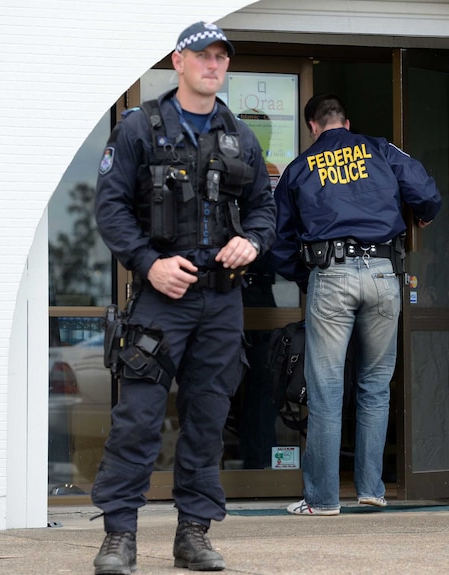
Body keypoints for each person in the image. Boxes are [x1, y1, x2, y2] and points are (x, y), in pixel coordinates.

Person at [91, 21, 276, 574]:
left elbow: (265, 206)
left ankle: (193, 535)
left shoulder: (240, 135)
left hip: (220, 302)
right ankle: (119, 536)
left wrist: (253, 241)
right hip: (160, 298)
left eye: (221, 57)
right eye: (203, 55)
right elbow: (111, 208)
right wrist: (149, 264)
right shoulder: (138, 128)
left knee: (208, 418)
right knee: (139, 418)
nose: (213, 65)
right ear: (178, 61)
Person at [272, 94, 442, 516]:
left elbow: (278, 243)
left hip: (331, 273)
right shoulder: (380, 149)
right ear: (346, 123)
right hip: (385, 272)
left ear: (313, 125)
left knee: (327, 392)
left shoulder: (298, 168)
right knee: (375, 387)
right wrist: (424, 212)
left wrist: (309, 275)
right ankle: (371, 490)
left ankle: (323, 500)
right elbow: (425, 190)